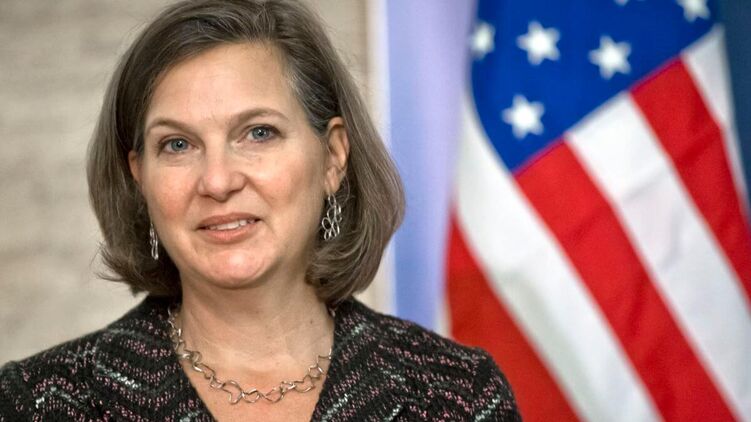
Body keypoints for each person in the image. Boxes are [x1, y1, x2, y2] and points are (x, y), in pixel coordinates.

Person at [0, 0, 519, 420]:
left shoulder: (455, 394)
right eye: (177, 145)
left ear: (333, 157)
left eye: (258, 133)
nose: (218, 181)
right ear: (140, 178)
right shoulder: (40, 403)